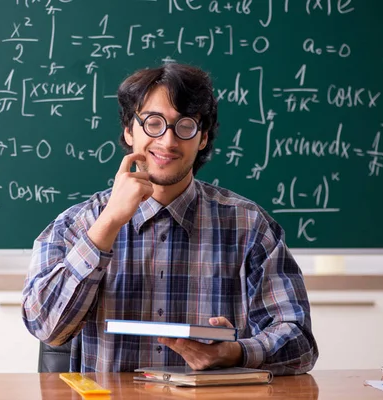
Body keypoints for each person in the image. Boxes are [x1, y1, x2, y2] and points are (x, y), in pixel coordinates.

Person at [22, 63, 318, 375]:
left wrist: (234, 352)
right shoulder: (77, 224)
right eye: (153, 123)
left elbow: (299, 343)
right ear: (128, 130)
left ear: (202, 138)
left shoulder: (249, 226)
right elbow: (45, 327)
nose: (167, 141)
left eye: (185, 126)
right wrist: (107, 224)